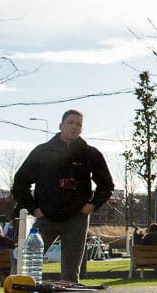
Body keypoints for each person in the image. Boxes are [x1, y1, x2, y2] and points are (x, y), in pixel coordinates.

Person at [11, 109, 114, 284]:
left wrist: (93, 205)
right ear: (61, 126)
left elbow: (106, 184)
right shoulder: (42, 152)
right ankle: (15, 288)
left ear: (82, 129)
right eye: (70, 123)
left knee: (70, 275)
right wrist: (33, 208)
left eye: (78, 124)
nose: (74, 127)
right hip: (46, 216)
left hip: (76, 218)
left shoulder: (90, 154)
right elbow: (20, 183)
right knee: (26, 263)